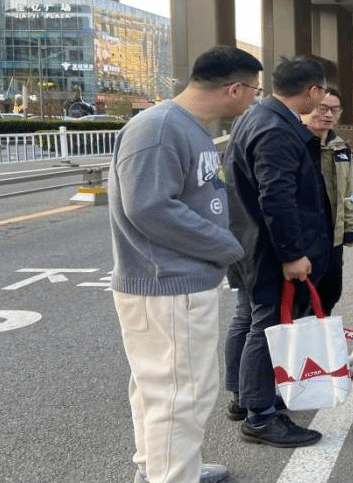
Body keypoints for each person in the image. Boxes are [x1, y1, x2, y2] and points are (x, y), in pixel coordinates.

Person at [108, 45, 263, 483]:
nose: (253, 99)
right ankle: (173, 476)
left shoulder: (185, 126)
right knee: (182, 395)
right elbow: (149, 206)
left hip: (170, 281)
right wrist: (225, 245)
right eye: (254, 91)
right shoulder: (160, 128)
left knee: (160, 389)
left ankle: (161, 469)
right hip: (170, 284)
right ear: (235, 88)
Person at [223, 56, 333, 448]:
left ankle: (244, 396)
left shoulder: (254, 117)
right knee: (266, 326)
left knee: (247, 318)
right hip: (268, 246)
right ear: (312, 91)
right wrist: (292, 253)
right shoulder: (278, 130)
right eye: (322, 92)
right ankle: (260, 416)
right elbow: (277, 198)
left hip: (246, 239)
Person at [300, 86, 353, 314]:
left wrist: (350, 228)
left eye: (335, 110)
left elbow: (348, 192)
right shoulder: (295, 144)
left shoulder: (341, 147)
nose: (328, 115)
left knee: (331, 293)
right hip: (305, 239)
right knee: (303, 301)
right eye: (322, 108)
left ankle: (320, 335)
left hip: (332, 237)